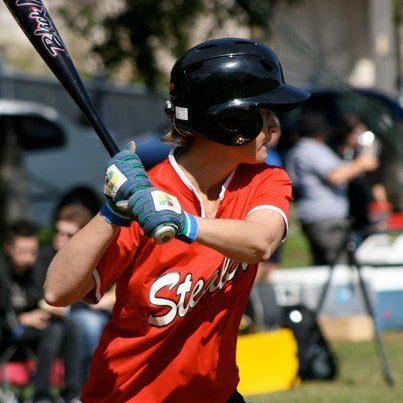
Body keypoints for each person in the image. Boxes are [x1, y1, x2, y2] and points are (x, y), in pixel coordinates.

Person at [44, 38, 310, 403]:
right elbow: (57, 292)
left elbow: (260, 242)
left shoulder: (264, 180)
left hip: (216, 394)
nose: (274, 126)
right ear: (231, 121)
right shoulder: (143, 198)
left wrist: (183, 222)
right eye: (263, 113)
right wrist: (111, 213)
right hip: (130, 395)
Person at [0, 221, 82, 403]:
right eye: (22, 252)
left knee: (70, 326)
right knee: (55, 331)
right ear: (8, 248)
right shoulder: (2, 271)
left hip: (38, 328)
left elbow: (41, 298)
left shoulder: (36, 268)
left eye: (33, 252)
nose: (29, 258)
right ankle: (41, 394)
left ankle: (73, 393)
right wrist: (21, 318)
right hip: (7, 331)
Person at [286, 113, 379, 266]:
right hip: (326, 221)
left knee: (325, 266)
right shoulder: (311, 149)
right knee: (338, 268)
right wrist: (361, 163)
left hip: (317, 219)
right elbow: (335, 176)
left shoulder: (298, 150)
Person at [36, 203, 116, 381]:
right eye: (58, 231)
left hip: (93, 313)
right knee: (86, 325)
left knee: (94, 324)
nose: (60, 238)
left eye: (69, 234)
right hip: (62, 318)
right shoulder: (44, 256)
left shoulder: (98, 256)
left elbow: (114, 291)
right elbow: (40, 297)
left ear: (82, 236)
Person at [332, 114, 391, 236]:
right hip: (345, 209)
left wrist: (383, 213)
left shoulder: (366, 152)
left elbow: (377, 186)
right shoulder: (336, 153)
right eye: (355, 133)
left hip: (366, 207)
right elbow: (337, 176)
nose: (359, 137)